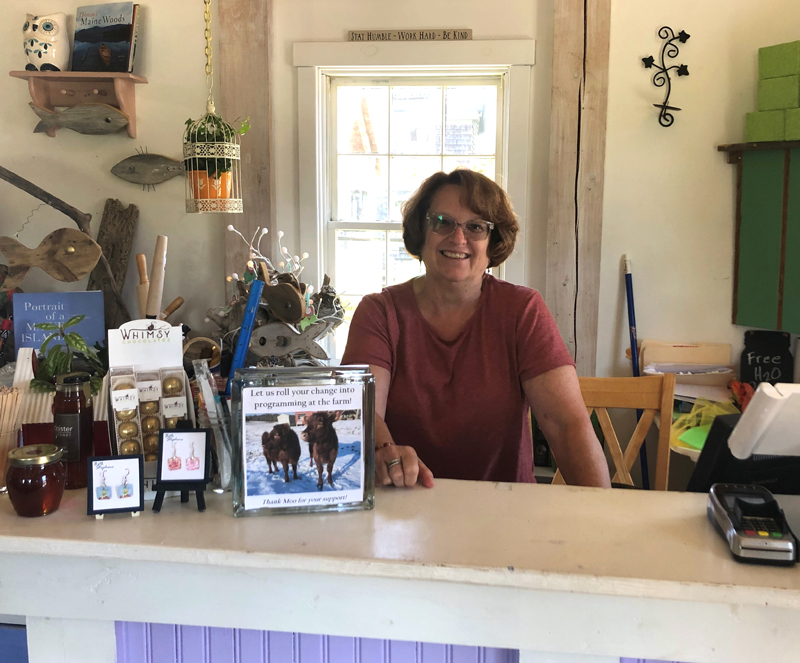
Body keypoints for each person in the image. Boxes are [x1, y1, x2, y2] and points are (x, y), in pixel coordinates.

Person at [341, 169, 610, 489]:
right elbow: (361, 409)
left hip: (505, 513)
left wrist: (602, 519)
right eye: (442, 222)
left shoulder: (522, 310)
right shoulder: (380, 312)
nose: (458, 238)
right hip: (404, 504)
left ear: (493, 241)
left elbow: (566, 425)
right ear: (421, 231)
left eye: (476, 226)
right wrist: (385, 450)